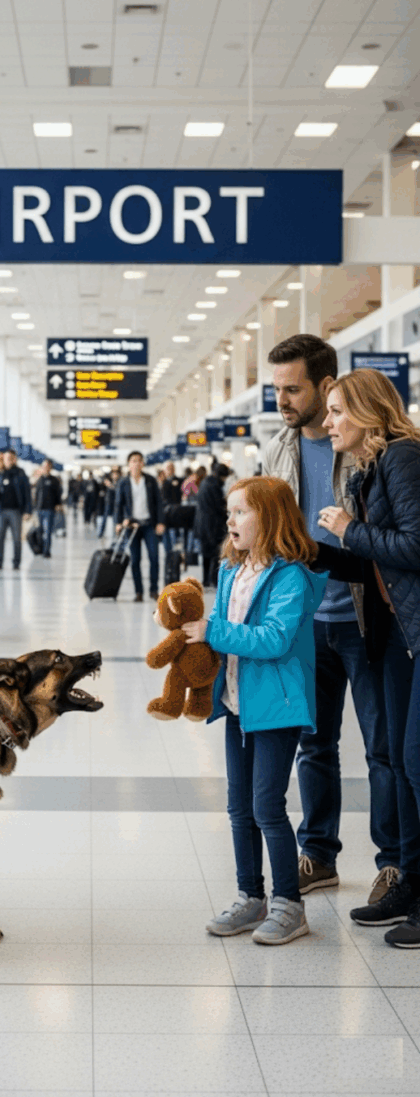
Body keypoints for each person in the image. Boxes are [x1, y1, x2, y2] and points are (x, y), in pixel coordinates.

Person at [264, 334, 399, 907]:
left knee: (382, 748)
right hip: (304, 620)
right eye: (277, 389)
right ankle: (317, 854)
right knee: (314, 745)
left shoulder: (367, 445)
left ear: (326, 385)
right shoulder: (278, 448)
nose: (282, 400)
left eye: (293, 389)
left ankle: (394, 863)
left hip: (367, 618)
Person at [183, 476, 327, 944]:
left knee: (267, 807)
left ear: (271, 517)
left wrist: (211, 632)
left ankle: (289, 904)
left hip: (276, 708)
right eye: (230, 512)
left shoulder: (291, 576)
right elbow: (222, 629)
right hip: (237, 704)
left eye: (241, 511)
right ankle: (251, 897)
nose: (230, 520)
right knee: (239, 807)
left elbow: (274, 639)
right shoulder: (232, 570)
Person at [312, 369, 420, 947]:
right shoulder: (368, 470)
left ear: (367, 411)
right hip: (397, 633)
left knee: (414, 761)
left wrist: (351, 530)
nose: (328, 422)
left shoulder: (403, 457)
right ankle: (411, 884)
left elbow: (416, 546)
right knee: (401, 762)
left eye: (336, 411)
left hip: (415, 628)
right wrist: (315, 554)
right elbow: (378, 563)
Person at [114, 451, 165, 602]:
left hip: (149, 525)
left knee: (154, 558)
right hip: (132, 527)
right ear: (129, 464)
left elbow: (158, 502)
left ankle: (154, 590)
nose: (136, 463)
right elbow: (118, 504)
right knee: (135, 560)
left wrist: (160, 522)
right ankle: (138, 592)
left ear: (143, 464)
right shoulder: (123, 482)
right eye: (133, 461)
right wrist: (118, 522)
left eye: (139, 460)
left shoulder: (150, 480)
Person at [0, 448, 31, 571]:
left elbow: (27, 492)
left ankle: (16, 562)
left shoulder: (20, 473)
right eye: (7, 458)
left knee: (17, 539)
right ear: (3, 459)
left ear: (15, 459)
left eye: (12, 458)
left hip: (15, 511)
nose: (9, 460)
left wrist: (27, 510)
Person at [193, 463, 230, 589]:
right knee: (216, 553)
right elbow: (220, 507)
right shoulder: (214, 486)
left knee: (206, 554)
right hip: (213, 525)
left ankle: (205, 580)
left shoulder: (205, 482)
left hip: (202, 524)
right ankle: (214, 580)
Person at [33, 458, 63, 559]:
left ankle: (47, 551)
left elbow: (58, 494)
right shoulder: (39, 480)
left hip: (50, 509)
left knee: (48, 531)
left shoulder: (54, 480)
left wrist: (58, 504)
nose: (45, 468)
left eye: (47, 466)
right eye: (44, 466)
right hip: (39, 509)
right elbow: (36, 494)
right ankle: (40, 549)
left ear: (50, 467)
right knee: (39, 531)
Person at [159, 461, 183, 554]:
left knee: (176, 533)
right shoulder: (161, 482)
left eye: (172, 468)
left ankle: (177, 553)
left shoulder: (179, 480)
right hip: (165, 512)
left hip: (176, 510)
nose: (170, 470)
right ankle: (168, 553)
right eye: (168, 468)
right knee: (166, 533)